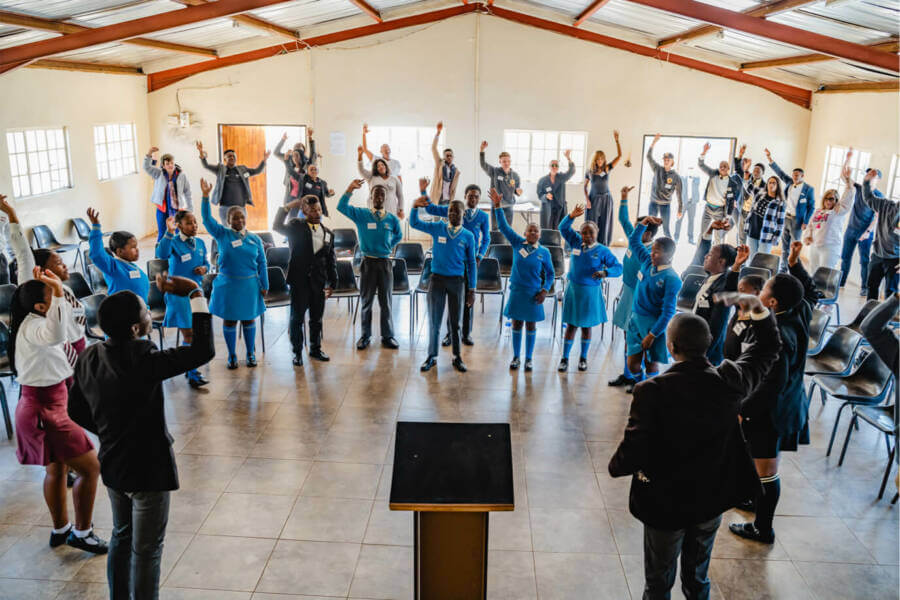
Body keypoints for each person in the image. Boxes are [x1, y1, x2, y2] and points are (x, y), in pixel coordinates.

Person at [608, 302, 779, 600]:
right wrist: (760, 312)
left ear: (671, 347)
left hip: (665, 502)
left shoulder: (652, 390)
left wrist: (617, 466)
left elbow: (635, 448)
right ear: (709, 343)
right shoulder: (730, 381)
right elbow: (767, 349)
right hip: (710, 497)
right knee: (698, 575)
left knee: (659, 580)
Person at [68, 276, 215, 600]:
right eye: (146, 313)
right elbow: (203, 350)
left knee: (122, 536)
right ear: (136, 329)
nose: (150, 315)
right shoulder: (145, 360)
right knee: (147, 551)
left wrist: (109, 431)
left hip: (114, 465)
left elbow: (75, 409)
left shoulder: (90, 357)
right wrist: (195, 293)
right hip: (148, 470)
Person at [10, 267, 107, 556]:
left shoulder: (33, 320)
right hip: (45, 409)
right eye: (52, 298)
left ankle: (61, 529)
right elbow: (56, 334)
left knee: (57, 468)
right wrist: (57, 292)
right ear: (41, 306)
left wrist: (57, 289)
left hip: (46, 403)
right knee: (90, 468)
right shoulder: (37, 328)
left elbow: (63, 329)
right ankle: (82, 533)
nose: (58, 299)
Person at [729, 241, 813, 544]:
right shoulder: (799, 309)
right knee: (759, 463)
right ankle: (755, 499)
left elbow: (769, 385)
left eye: (764, 290)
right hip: (782, 404)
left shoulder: (781, 336)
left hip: (773, 412)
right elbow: (807, 291)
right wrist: (793, 263)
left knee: (767, 469)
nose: (759, 293)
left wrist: (743, 410)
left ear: (774, 303)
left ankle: (763, 528)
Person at [3, 195, 87, 361]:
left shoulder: (66, 289)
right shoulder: (36, 289)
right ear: (42, 270)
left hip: (79, 343)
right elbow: (23, 253)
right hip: (60, 351)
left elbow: (77, 314)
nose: (64, 266)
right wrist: (11, 214)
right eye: (58, 263)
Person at [200, 178, 268, 369]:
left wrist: (265, 285)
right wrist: (205, 197)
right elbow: (206, 220)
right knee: (230, 320)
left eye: (242, 218)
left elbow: (262, 263)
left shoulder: (255, 239)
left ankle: (250, 353)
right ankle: (231, 355)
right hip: (228, 285)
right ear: (228, 221)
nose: (239, 221)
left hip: (249, 285)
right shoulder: (222, 234)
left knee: (248, 319)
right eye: (235, 218)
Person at [410, 183, 476, 373]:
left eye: (457, 212)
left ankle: (457, 357)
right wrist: (415, 206)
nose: (453, 214)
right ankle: (432, 356)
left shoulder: (468, 236)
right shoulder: (438, 227)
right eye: (450, 211)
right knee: (434, 321)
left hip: (457, 282)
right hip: (437, 280)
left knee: (456, 323)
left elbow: (471, 264)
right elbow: (415, 223)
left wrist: (471, 289)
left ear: (463, 215)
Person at [491, 188, 554, 371]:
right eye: (530, 230)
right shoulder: (518, 243)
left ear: (539, 235)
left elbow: (550, 274)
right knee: (517, 323)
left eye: (536, 231)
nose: (533, 233)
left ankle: (528, 359)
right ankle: (516, 357)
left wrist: (545, 290)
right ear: (525, 233)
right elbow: (503, 226)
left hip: (534, 294)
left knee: (531, 326)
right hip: (518, 292)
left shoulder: (544, 252)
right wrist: (497, 206)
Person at [337, 180, 403, 350]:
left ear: (386, 197)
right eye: (376, 194)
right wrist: (349, 189)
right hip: (368, 263)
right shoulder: (361, 214)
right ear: (371, 197)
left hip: (385, 263)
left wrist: (388, 246)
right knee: (366, 301)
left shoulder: (391, 219)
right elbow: (341, 207)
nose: (379, 197)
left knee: (386, 302)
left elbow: (398, 235)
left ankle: (387, 336)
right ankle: (365, 336)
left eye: (382, 194)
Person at [272, 195, 337, 367]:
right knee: (297, 318)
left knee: (316, 319)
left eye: (319, 210)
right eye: (313, 210)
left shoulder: (328, 234)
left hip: (318, 282)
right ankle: (297, 352)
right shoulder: (296, 226)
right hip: (299, 281)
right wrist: (287, 207)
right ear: (304, 211)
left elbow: (331, 260)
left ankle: (316, 349)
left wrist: (333, 283)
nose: (317, 213)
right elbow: (277, 226)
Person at [557, 203, 622, 372]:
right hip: (573, 290)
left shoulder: (603, 251)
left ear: (597, 233)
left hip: (590, 292)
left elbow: (618, 267)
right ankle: (564, 358)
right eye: (584, 232)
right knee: (571, 326)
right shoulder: (576, 242)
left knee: (586, 327)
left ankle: (583, 358)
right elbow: (562, 227)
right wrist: (571, 216)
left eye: (590, 232)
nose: (587, 236)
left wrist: (605, 273)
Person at [424, 184, 490, 346]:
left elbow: (487, 238)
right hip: (453, 263)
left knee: (468, 299)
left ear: (479, 198)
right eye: (470, 196)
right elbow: (431, 209)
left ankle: (466, 334)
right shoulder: (455, 209)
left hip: (470, 262)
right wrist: (423, 192)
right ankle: (450, 334)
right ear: (465, 197)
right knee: (453, 300)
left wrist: (480, 255)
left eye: (476, 196)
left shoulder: (483, 216)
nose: (473, 199)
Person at [608, 187, 659, 388]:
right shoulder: (634, 238)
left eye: (640, 227)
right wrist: (623, 197)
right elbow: (623, 219)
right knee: (627, 334)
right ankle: (628, 374)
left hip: (640, 297)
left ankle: (642, 379)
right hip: (627, 292)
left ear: (646, 234)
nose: (634, 230)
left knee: (639, 337)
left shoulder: (651, 253)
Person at [624, 216, 681, 393]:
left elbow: (668, 312)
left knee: (651, 364)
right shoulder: (648, 262)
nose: (652, 254)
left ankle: (649, 393)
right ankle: (640, 384)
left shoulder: (672, 279)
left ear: (669, 255)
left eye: (656, 252)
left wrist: (652, 334)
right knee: (632, 363)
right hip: (635, 319)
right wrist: (643, 223)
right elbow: (634, 240)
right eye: (652, 250)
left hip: (653, 325)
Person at [155, 210, 210, 388]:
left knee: (196, 331)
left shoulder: (200, 242)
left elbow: (206, 262)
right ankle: (192, 372)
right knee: (189, 333)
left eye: (195, 222)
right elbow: (161, 254)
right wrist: (168, 233)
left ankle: (190, 367)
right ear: (179, 226)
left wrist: (204, 268)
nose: (194, 226)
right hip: (178, 295)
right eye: (189, 223)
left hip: (196, 293)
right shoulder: (174, 242)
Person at [691, 225, 747, 365]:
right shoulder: (712, 275)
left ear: (721, 262)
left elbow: (716, 328)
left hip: (708, 353)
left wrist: (702, 359)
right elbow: (700, 255)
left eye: (710, 255)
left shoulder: (722, 287)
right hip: (697, 340)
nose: (705, 256)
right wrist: (709, 231)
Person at [196, 140, 271, 224]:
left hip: (240, 207)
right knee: (227, 230)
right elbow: (206, 165)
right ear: (225, 159)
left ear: (236, 158)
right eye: (229, 156)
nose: (231, 157)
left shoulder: (243, 170)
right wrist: (201, 152)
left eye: (233, 156)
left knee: (240, 230)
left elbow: (257, 171)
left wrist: (264, 160)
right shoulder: (220, 169)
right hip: (225, 208)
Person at [766, 148, 815, 271]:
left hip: (797, 221)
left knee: (795, 246)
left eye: (797, 175)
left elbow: (811, 206)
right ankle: (783, 268)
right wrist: (770, 159)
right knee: (785, 246)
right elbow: (780, 173)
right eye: (794, 175)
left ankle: (794, 269)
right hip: (785, 218)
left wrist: (806, 221)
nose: (795, 177)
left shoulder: (808, 189)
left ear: (802, 176)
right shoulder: (789, 182)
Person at [87, 208, 149, 300]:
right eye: (133, 247)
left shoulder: (131, 265)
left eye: (136, 246)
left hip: (141, 310)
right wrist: (96, 228)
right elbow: (97, 254)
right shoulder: (113, 267)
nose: (137, 250)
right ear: (120, 251)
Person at [840, 154, 880, 294]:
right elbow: (844, 176)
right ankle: (841, 282)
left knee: (864, 261)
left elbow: (877, 216)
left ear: (877, 179)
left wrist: (868, 232)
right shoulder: (859, 188)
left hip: (865, 233)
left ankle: (864, 287)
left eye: (872, 174)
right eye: (868, 173)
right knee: (845, 257)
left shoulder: (879, 196)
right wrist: (848, 159)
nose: (868, 176)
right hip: (851, 229)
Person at [860, 168, 899, 300]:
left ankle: (886, 319)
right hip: (878, 256)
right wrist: (866, 182)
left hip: (895, 260)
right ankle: (869, 317)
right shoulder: (885, 205)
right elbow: (868, 197)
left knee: (890, 293)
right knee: (871, 286)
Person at [803, 176, 853, 273]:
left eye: (831, 199)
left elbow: (846, 201)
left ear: (836, 200)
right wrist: (807, 236)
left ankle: (823, 289)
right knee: (813, 271)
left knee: (825, 273)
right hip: (815, 245)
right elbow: (810, 225)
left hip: (830, 247)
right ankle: (813, 288)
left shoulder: (838, 212)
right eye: (826, 198)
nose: (828, 201)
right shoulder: (818, 211)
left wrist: (848, 185)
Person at [697, 142, 743, 245]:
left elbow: (731, 202)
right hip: (708, 208)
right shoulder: (713, 174)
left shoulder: (732, 183)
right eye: (721, 166)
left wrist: (728, 217)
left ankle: (717, 256)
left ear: (728, 169)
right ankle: (699, 253)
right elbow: (701, 165)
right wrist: (704, 152)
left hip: (720, 211)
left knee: (718, 237)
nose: (722, 167)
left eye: (725, 166)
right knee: (703, 233)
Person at [143, 147, 192, 242]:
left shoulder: (181, 175)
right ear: (163, 165)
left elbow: (187, 192)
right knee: (162, 232)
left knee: (180, 232)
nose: (170, 165)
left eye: (172, 163)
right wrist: (149, 153)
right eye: (167, 164)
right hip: (162, 208)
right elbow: (146, 167)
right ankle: (159, 254)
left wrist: (189, 208)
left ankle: (180, 252)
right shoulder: (158, 173)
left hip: (178, 209)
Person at [583, 131, 622, 245]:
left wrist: (617, 141)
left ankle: (603, 246)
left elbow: (619, 156)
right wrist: (587, 200)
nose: (600, 161)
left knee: (605, 224)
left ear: (604, 159)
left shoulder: (607, 168)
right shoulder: (589, 171)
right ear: (595, 160)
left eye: (602, 159)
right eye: (598, 159)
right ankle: (590, 244)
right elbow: (585, 187)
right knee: (592, 223)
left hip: (606, 199)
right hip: (594, 199)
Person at [645, 133, 684, 237]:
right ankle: (648, 248)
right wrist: (654, 142)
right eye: (665, 160)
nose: (666, 161)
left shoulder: (676, 177)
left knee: (666, 229)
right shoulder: (657, 169)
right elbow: (648, 157)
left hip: (665, 205)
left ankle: (669, 250)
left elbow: (679, 194)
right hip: (653, 203)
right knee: (650, 228)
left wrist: (680, 209)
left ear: (672, 162)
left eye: (668, 160)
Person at [480, 141, 523, 230]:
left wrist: (518, 192)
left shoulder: (515, 176)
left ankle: (506, 244)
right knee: (495, 229)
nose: (506, 163)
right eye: (504, 161)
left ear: (510, 161)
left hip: (509, 206)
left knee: (508, 230)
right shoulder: (494, 171)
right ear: (500, 161)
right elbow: (483, 165)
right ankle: (495, 244)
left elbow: (517, 190)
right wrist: (482, 150)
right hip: (496, 206)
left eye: (508, 161)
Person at [274, 130, 317, 218]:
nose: (297, 151)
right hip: (289, 195)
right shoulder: (289, 158)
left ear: (303, 152)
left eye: (300, 149)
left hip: (302, 196)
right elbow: (276, 153)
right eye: (296, 149)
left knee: (302, 218)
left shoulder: (306, 163)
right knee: (290, 218)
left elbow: (313, 155)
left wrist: (310, 139)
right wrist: (283, 139)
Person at [744, 176, 786, 257]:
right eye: (770, 182)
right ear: (767, 184)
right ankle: (750, 270)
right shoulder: (760, 194)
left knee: (762, 259)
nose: (771, 185)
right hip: (752, 230)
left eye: (774, 183)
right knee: (751, 257)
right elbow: (748, 187)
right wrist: (749, 176)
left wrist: (776, 238)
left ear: (778, 186)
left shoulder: (780, 202)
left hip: (767, 235)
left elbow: (780, 223)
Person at [357, 146, 404, 218]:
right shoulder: (371, 177)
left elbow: (400, 195)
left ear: (386, 166)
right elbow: (361, 170)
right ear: (376, 169)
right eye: (378, 166)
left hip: (391, 212)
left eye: (382, 164)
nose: (381, 167)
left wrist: (401, 209)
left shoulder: (394, 178)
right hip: (374, 212)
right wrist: (360, 155)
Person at [734, 145, 766, 246]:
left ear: (763, 173)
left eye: (758, 171)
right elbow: (738, 169)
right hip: (743, 211)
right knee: (741, 236)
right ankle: (740, 258)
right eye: (754, 170)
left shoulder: (765, 186)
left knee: (751, 238)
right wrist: (740, 154)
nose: (755, 172)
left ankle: (750, 258)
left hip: (753, 215)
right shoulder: (747, 177)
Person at [537, 150, 575, 231]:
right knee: (547, 231)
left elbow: (572, 171)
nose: (554, 167)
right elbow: (539, 195)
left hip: (560, 209)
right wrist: (546, 196)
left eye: (556, 165)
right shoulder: (542, 180)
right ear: (549, 166)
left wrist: (568, 158)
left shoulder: (562, 177)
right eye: (552, 165)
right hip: (548, 209)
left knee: (559, 231)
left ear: (558, 167)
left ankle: (557, 243)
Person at [430, 121, 459, 205]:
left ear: (453, 157)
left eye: (450, 155)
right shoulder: (440, 164)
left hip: (448, 198)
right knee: (436, 217)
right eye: (447, 155)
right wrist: (438, 133)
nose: (449, 157)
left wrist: (452, 197)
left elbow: (453, 186)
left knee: (446, 217)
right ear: (444, 157)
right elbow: (433, 148)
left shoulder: (455, 170)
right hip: (438, 196)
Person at [673, 170, 700, 244]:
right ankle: (676, 238)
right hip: (683, 202)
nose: (691, 171)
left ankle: (690, 239)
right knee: (679, 220)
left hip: (692, 203)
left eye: (692, 169)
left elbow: (697, 190)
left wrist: (696, 200)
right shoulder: (681, 178)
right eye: (689, 169)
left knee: (691, 221)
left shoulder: (697, 179)